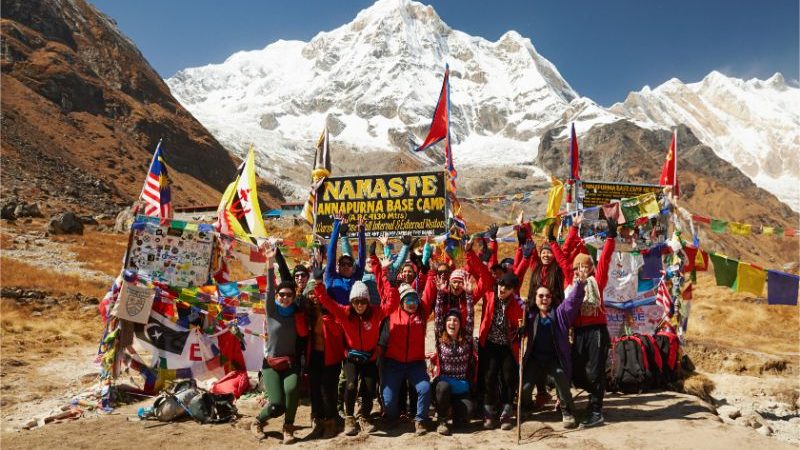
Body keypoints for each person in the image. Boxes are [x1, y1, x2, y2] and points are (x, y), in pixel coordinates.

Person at [314, 255, 399, 436]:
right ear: (351, 302)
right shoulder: (345, 313)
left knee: (368, 387)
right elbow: (326, 301)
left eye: (363, 301)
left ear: (368, 301)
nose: (360, 305)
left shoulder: (376, 313)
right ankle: (350, 417)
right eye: (356, 301)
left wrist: (389, 281)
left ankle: (364, 417)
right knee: (351, 385)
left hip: (370, 356)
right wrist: (318, 282)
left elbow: (392, 304)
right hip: (351, 356)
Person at [252, 244, 307, 444]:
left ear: (293, 298)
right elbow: (268, 288)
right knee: (276, 405)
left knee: (293, 391)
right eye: (281, 294)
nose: (284, 297)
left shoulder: (297, 314)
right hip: (271, 364)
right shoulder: (271, 310)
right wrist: (269, 264)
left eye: (288, 295)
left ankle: (288, 428)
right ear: (277, 296)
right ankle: (258, 421)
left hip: (290, 362)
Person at [521, 278, 587, 429]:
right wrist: (520, 329)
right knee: (525, 387)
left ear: (551, 298)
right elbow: (515, 301)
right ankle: (526, 406)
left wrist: (579, 285)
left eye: (547, 296)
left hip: (553, 358)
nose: (544, 299)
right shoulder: (530, 316)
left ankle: (567, 410)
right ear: (535, 298)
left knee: (561, 377)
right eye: (541, 296)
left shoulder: (559, 314)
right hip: (534, 359)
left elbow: (572, 302)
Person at [569, 219, 616, 427]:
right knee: (577, 372)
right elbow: (563, 258)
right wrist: (569, 232)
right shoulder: (571, 285)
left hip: (596, 330)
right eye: (578, 266)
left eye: (585, 266)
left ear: (590, 268)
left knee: (595, 371)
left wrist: (611, 237)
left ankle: (596, 410)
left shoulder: (598, 281)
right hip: (578, 331)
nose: (581, 269)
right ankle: (592, 397)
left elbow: (604, 259)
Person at [473, 246, 524, 430]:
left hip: (508, 346)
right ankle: (489, 413)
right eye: (502, 284)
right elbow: (481, 270)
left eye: (508, 287)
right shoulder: (489, 294)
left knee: (509, 377)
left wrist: (522, 327)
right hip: (490, 343)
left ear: (513, 290)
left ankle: (507, 412)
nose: (503, 289)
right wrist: (471, 252)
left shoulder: (518, 305)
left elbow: (522, 322)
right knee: (489, 376)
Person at [380, 281, 435, 435]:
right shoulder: (392, 315)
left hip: (415, 364)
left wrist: (429, 273)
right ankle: (392, 417)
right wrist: (386, 276)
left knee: (424, 388)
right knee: (389, 401)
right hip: (394, 363)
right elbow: (389, 297)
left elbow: (429, 295)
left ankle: (420, 420)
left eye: (415, 300)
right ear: (402, 302)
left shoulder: (422, 315)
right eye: (409, 301)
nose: (413, 304)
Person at [432, 274, 476, 435]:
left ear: (460, 324)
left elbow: (470, 316)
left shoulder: (467, 338)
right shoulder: (440, 337)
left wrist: (469, 295)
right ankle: (442, 419)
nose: (452, 323)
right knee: (442, 388)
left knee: (467, 413)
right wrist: (440, 294)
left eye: (455, 320)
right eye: (449, 320)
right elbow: (437, 317)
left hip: (461, 386)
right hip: (444, 385)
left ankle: (454, 413)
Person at [304, 278, 345, 439]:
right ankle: (318, 422)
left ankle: (331, 423)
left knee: (328, 391)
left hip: (332, 357)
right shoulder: (306, 314)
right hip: (314, 357)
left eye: (316, 292)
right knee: (314, 391)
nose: (313, 296)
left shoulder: (332, 312)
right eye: (310, 293)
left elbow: (338, 333)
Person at [325, 216, 367, 305]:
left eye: (349, 264)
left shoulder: (356, 278)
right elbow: (331, 253)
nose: (346, 266)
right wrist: (337, 225)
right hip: (335, 317)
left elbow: (362, 256)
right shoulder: (332, 277)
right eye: (343, 264)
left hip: (353, 317)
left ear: (353, 267)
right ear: (338, 266)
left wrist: (361, 232)